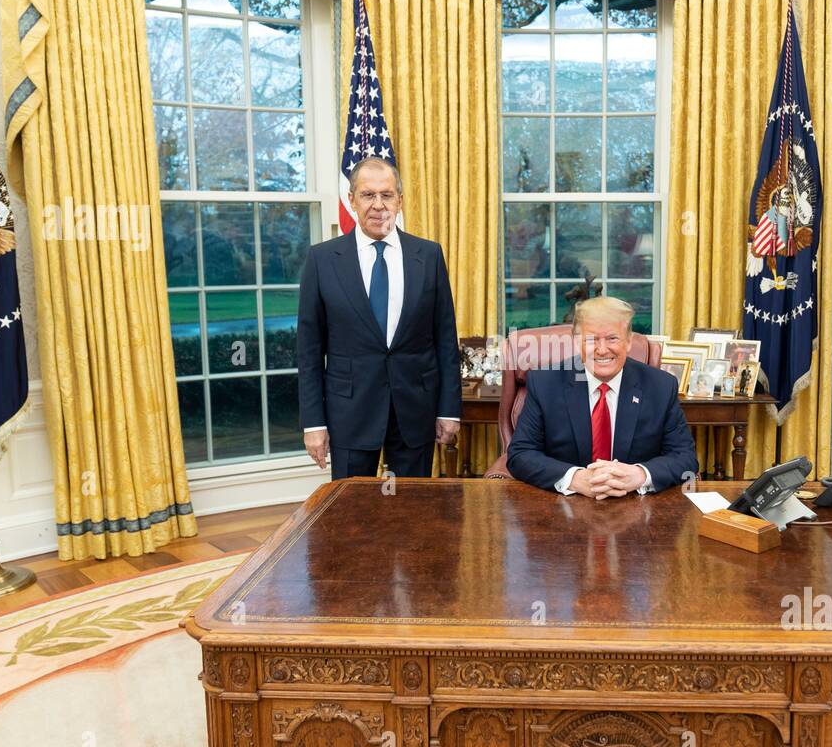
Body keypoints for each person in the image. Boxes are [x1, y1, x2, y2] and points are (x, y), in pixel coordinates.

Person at [296, 157, 460, 478]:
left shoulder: (428, 255)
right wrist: (314, 423)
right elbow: (310, 352)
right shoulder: (322, 260)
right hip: (350, 412)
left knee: (412, 513)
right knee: (351, 517)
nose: (378, 205)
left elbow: (445, 341)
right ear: (352, 200)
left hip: (415, 409)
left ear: (399, 201)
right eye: (368, 195)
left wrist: (448, 410)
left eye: (386, 195)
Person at [506, 296, 697, 498]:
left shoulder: (661, 386)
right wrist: (574, 478)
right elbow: (521, 454)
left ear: (629, 341)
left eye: (612, 338)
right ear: (576, 342)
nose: (602, 350)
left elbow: (684, 457)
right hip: (563, 508)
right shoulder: (545, 383)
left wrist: (640, 475)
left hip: (637, 507)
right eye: (591, 339)